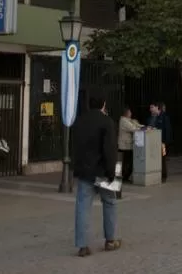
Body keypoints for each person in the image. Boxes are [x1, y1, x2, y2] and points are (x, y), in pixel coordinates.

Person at [72, 94, 121, 257]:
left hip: (84, 171)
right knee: (110, 203)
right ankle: (110, 240)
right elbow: (110, 149)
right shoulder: (107, 122)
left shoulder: (79, 121)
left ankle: (83, 245)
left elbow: (75, 147)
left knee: (82, 207)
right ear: (104, 104)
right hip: (102, 171)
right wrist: (112, 172)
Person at [148, 103, 171, 183]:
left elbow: (167, 130)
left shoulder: (164, 117)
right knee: (158, 158)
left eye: (152, 107)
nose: (151, 109)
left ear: (157, 107)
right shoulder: (155, 117)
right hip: (156, 141)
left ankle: (164, 176)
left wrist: (165, 142)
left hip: (162, 142)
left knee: (163, 158)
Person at [117, 106, 140, 183]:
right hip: (125, 146)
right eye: (130, 112)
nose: (131, 113)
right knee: (127, 162)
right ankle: (124, 176)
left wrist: (142, 126)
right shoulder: (124, 121)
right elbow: (133, 128)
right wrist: (143, 128)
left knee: (127, 162)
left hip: (127, 145)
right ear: (126, 113)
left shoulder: (128, 120)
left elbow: (136, 125)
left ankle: (125, 176)